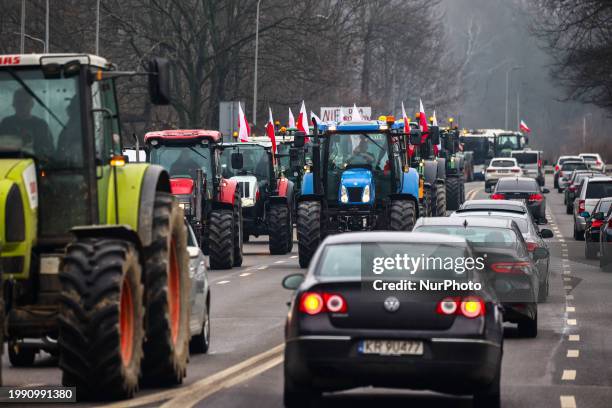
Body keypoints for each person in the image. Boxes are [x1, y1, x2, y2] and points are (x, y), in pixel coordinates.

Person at [0, 88, 54, 159]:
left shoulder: (41, 125)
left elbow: (49, 150)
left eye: (26, 101)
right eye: (19, 102)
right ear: (14, 104)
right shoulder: (6, 123)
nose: (22, 105)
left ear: (32, 104)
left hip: (36, 166)